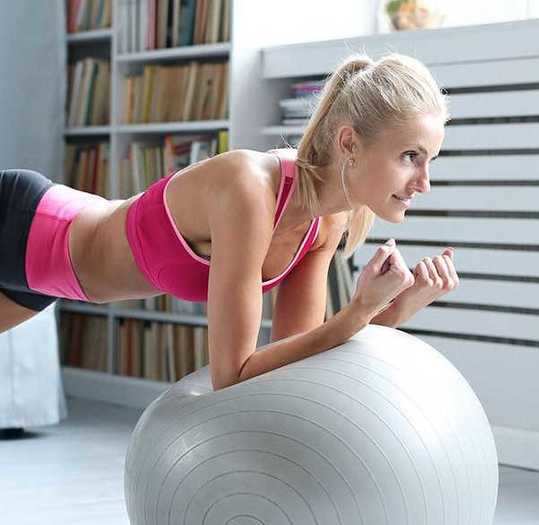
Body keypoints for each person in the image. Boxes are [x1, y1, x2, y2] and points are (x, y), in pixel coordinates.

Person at [0, 52, 458, 390]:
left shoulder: (326, 224)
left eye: (429, 160)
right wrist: (359, 310)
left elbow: (293, 368)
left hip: (40, 283)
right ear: (350, 143)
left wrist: (391, 309)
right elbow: (233, 374)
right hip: (20, 224)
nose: (424, 182)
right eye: (410, 157)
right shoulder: (249, 189)